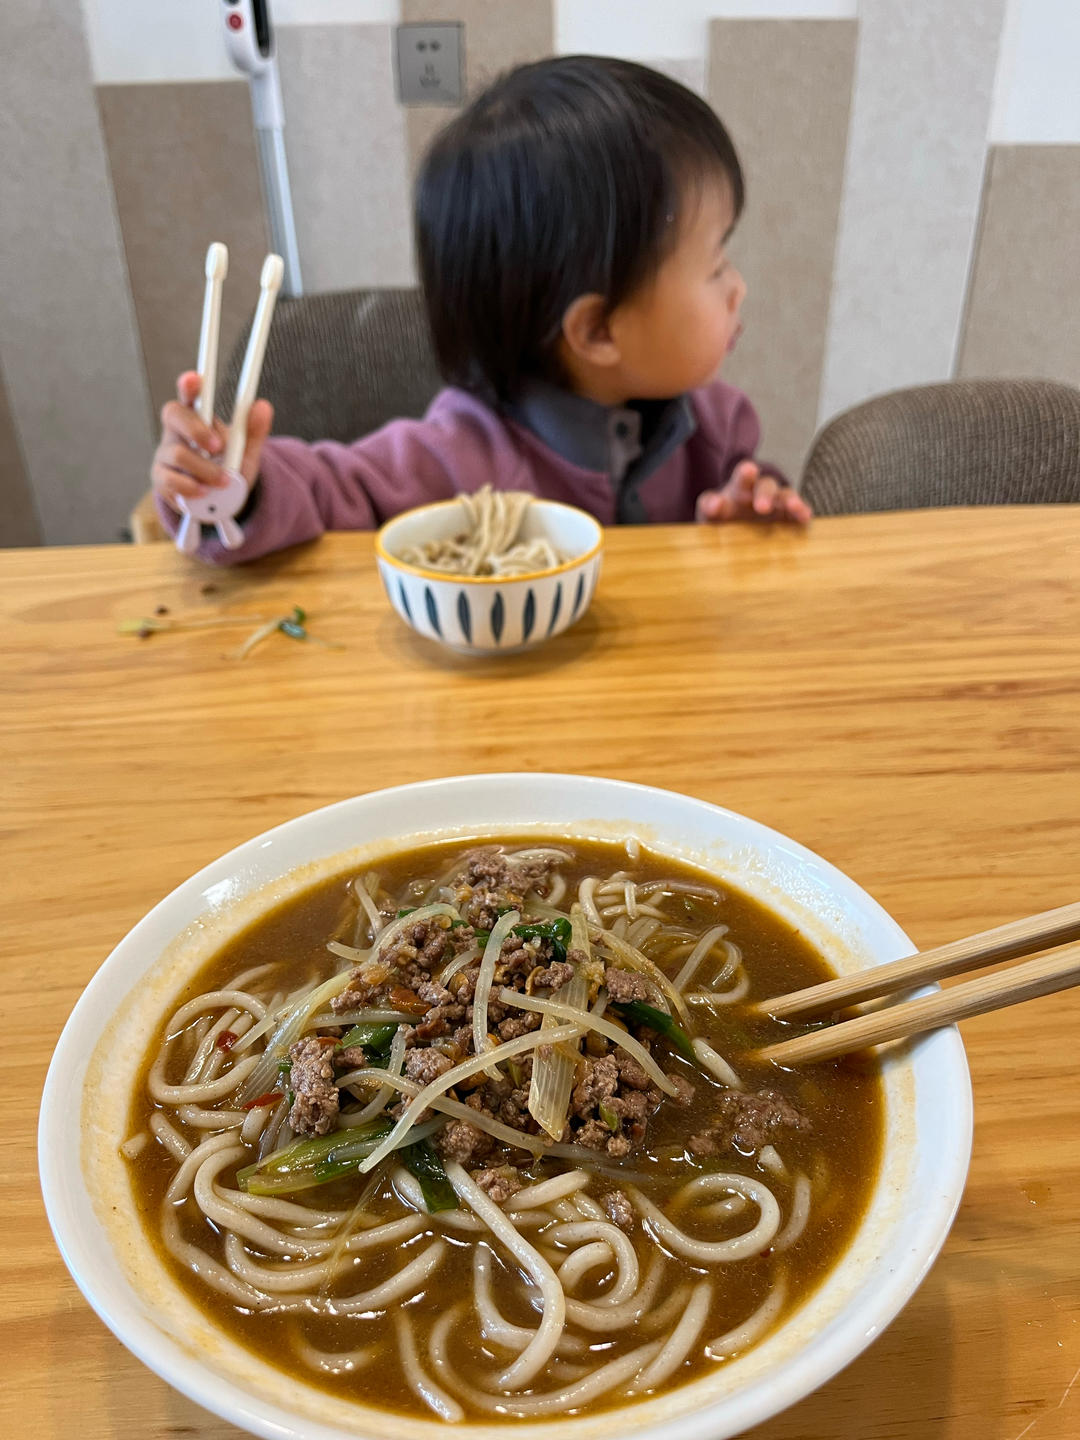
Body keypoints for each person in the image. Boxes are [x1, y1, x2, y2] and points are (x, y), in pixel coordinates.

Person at [151, 56, 811, 564]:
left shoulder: (716, 426)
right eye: (716, 265)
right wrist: (232, 485)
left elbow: (737, 517)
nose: (738, 288)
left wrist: (751, 511)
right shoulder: (458, 456)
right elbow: (330, 488)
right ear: (598, 329)